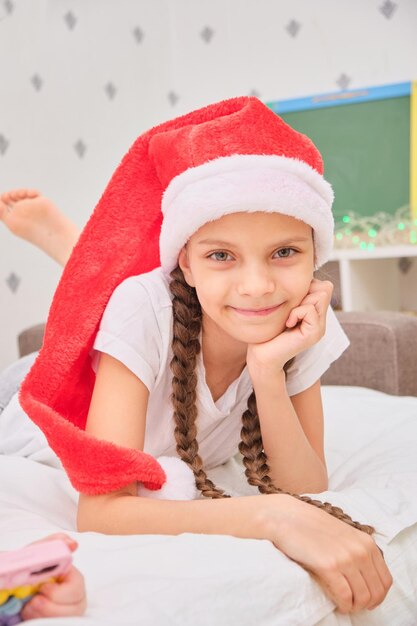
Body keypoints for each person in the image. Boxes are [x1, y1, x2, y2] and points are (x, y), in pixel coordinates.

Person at [4, 97, 393, 615]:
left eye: (285, 252)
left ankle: (88, 262)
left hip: (160, 325)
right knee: (123, 300)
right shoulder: (145, 307)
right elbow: (102, 511)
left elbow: (305, 483)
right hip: (27, 407)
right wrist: (270, 517)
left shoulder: (305, 316)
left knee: (152, 301)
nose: (257, 287)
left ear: (315, 255)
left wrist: (268, 372)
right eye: (220, 255)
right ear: (185, 261)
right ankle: (79, 258)